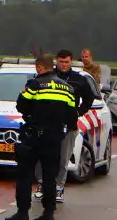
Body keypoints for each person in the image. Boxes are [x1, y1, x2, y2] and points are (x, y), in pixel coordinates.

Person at [6, 54, 78, 220]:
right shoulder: (67, 88)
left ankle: (22, 214)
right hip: (54, 138)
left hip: (33, 136)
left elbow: (21, 105)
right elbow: (72, 117)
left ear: (39, 67)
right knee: (49, 177)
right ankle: (48, 215)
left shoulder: (35, 84)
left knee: (24, 175)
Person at [35, 49, 99, 204]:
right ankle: (41, 184)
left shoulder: (78, 79)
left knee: (63, 158)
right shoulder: (47, 77)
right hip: (47, 125)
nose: (64, 65)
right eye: (61, 62)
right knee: (42, 157)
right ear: (56, 61)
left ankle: (59, 187)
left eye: (67, 62)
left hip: (68, 125)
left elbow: (89, 98)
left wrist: (78, 112)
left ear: (71, 62)